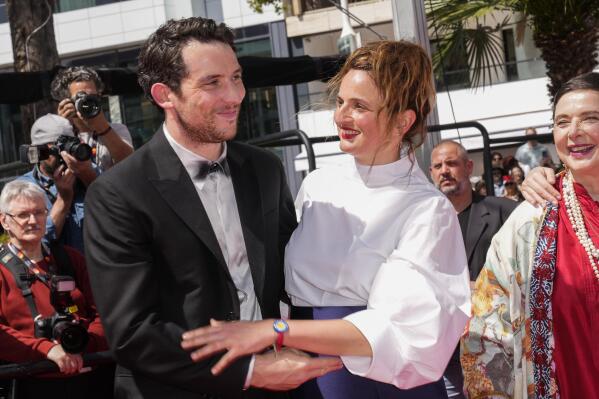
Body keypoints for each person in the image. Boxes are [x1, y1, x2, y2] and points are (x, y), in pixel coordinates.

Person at [180, 40, 471, 399]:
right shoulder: (318, 183)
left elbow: (397, 330)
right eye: (339, 102)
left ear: (403, 120)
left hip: (375, 381)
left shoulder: (428, 210)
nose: (341, 117)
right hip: (302, 367)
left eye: (359, 106)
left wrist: (277, 330)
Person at [83, 17, 341, 399]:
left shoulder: (266, 170)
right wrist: (248, 370)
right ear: (164, 95)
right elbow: (133, 331)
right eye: (212, 83)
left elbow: (294, 279)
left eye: (236, 77)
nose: (235, 95)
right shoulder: (118, 194)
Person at [462, 71, 599, 398]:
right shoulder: (528, 223)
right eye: (562, 122)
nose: (574, 133)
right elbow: (487, 334)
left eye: (590, 118)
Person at [0, 180, 111, 398]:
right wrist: (47, 349)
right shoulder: (2, 270)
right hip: (32, 381)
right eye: (23, 215)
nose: (33, 221)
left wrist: (84, 347)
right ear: (4, 221)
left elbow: (105, 310)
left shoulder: (69, 258)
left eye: (39, 212)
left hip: (91, 372)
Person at [429, 140, 517, 398]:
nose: (444, 170)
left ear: (468, 167)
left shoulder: (503, 211)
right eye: (437, 166)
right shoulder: (421, 224)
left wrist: (482, 288)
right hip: (444, 347)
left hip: (495, 345)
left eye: (451, 163)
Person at [18, 114, 95, 253]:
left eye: (67, 146)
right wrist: (63, 200)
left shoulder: (88, 171)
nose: (63, 155)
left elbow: (119, 210)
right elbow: (36, 245)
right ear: (39, 152)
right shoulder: (24, 188)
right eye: (54, 149)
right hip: (58, 272)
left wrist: (87, 175)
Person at [51, 66, 133, 171]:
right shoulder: (60, 135)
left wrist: (102, 127)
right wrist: (61, 128)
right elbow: (53, 170)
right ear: (67, 102)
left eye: (93, 97)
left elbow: (130, 163)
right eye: (80, 97)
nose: (87, 101)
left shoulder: (117, 130)